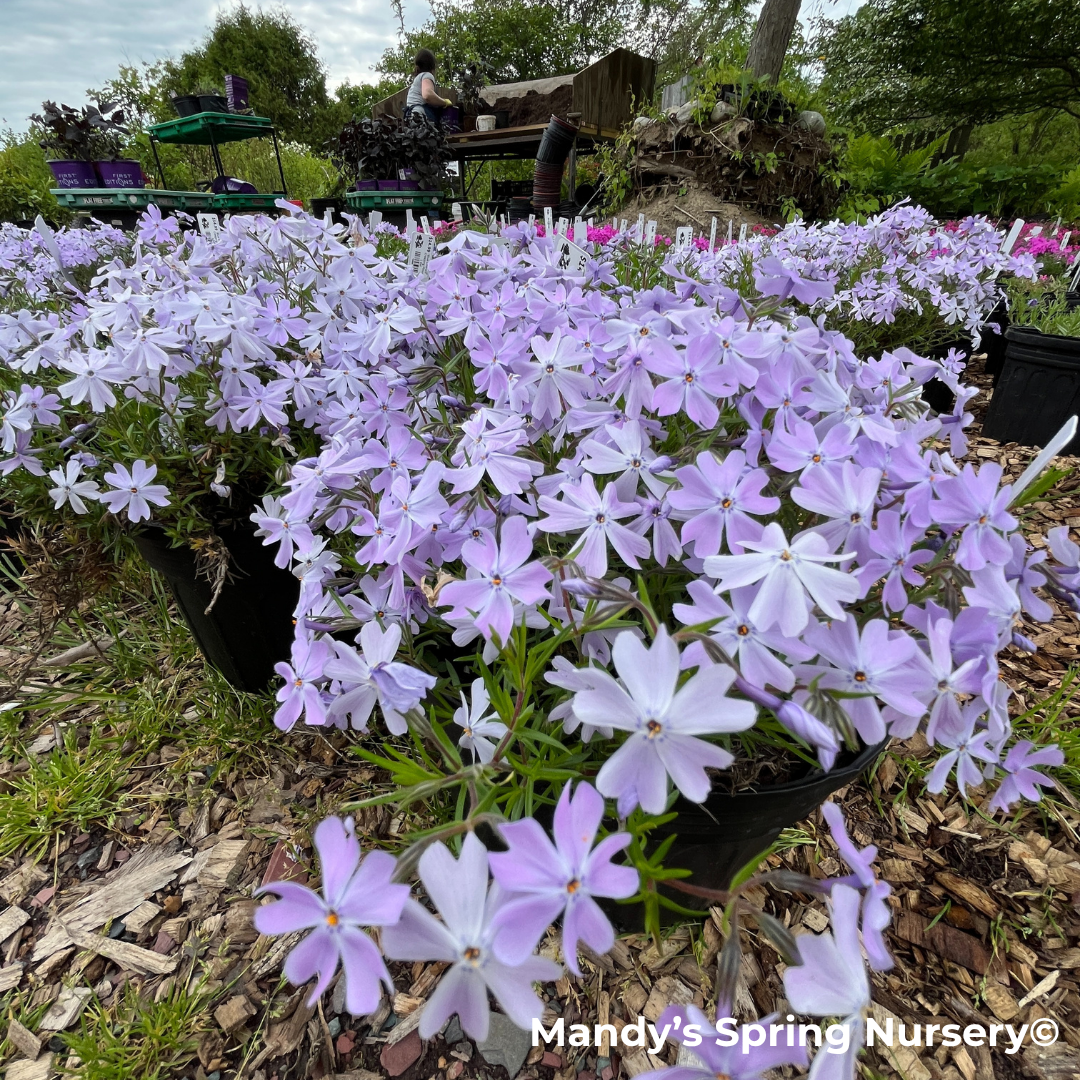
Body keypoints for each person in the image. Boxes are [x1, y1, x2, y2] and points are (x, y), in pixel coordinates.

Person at [405, 49, 452, 124]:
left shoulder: (418, 79)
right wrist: (444, 102)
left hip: (411, 116)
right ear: (433, 66)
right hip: (419, 114)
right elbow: (427, 95)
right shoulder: (427, 75)